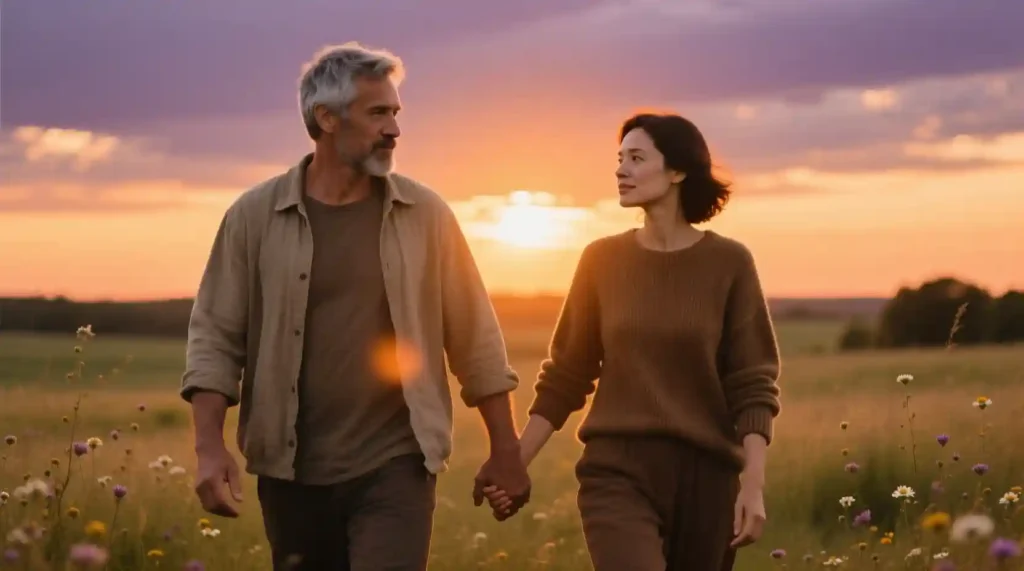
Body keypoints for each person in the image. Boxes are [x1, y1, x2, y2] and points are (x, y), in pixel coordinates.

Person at [180, 42, 531, 571]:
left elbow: (475, 337)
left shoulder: (425, 214)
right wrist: (209, 448)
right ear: (326, 118)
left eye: (396, 113)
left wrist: (506, 450)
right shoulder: (254, 216)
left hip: (396, 463)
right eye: (377, 113)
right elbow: (215, 337)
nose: (394, 129)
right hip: (289, 471)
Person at [483, 112, 782, 570]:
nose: (621, 170)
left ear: (677, 171)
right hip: (617, 472)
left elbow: (753, 384)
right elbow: (566, 375)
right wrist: (514, 463)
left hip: (708, 479)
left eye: (637, 159)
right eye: (620, 159)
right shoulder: (601, 261)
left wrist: (753, 486)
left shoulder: (730, 263)